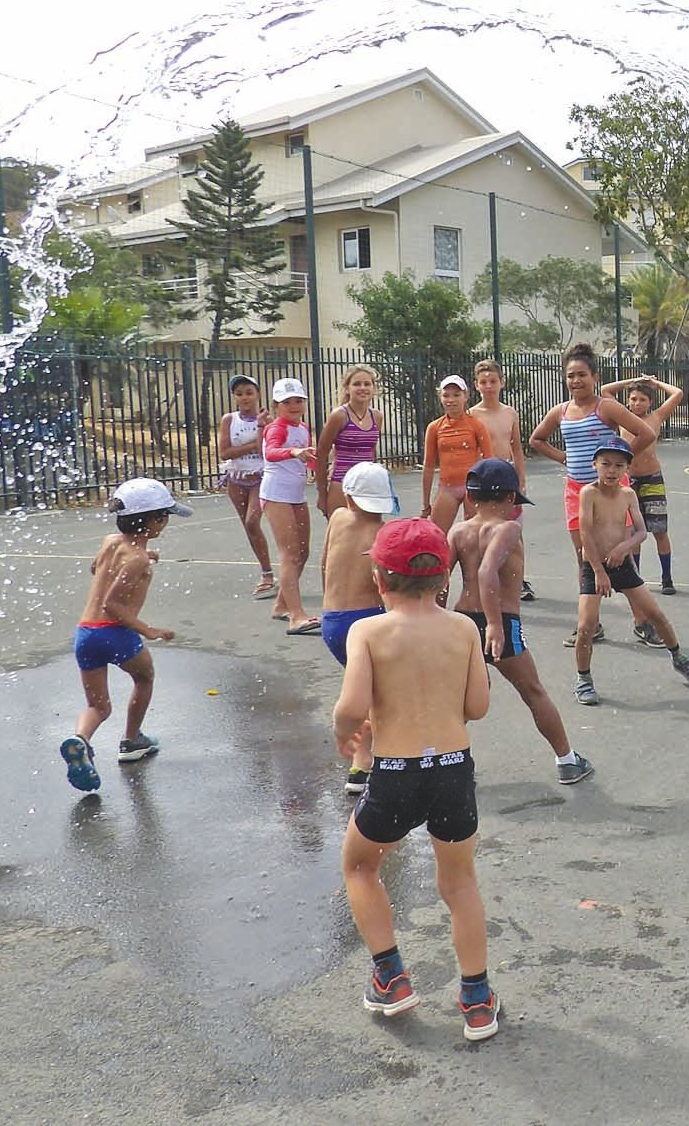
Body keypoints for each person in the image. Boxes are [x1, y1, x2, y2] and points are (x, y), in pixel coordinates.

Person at [333, 517, 500, 1041]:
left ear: (379, 579)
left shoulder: (368, 631)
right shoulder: (464, 628)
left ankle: (391, 977)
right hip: (453, 768)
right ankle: (476, 999)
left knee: (360, 866)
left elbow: (352, 705)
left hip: (397, 773)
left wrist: (345, 730)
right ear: (442, 579)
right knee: (459, 883)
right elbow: (477, 706)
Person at [449, 458, 593, 784]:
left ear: (471, 497)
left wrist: (439, 617)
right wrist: (495, 624)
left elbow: (440, 577)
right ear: (512, 499)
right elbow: (488, 571)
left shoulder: (458, 531)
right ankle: (567, 761)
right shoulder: (509, 528)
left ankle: (451, 764)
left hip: (462, 619)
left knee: (458, 697)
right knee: (532, 691)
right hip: (499, 621)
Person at [59, 478, 192, 792]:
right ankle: (132, 741)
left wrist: (141, 556)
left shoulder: (111, 542)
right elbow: (112, 604)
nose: (166, 522)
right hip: (115, 633)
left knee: (99, 707)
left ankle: (80, 740)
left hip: (86, 634)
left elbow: (98, 569)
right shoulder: (137, 559)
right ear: (154, 521)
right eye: (165, 516)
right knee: (144, 677)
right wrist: (149, 630)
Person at [528, 344, 654, 648]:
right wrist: (565, 459)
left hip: (611, 493)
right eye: (570, 375)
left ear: (594, 377)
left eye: (582, 374)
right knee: (584, 556)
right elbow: (536, 439)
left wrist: (617, 462)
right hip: (577, 492)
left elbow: (646, 434)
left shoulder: (606, 407)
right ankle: (590, 624)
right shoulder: (561, 411)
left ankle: (642, 622)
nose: (576, 381)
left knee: (622, 558)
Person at [571, 439, 689, 706]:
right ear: (595, 465)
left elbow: (642, 531)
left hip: (623, 564)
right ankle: (583, 679)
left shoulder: (628, 495)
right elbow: (585, 533)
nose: (611, 471)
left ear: (627, 469)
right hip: (594, 565)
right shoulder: (588, 493)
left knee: (656, 615)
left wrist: (624, 547)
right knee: (586, 626)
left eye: (619, 466)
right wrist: (598, 571)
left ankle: (678, 656)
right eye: (605, 464)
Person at [320, 462, 398, 794]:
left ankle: (368, 758)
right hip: (363, 620)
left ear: (349, 498)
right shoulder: (382, 535)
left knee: (364, 689)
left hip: (331, 621)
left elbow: (325, 563)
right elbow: (386, 587)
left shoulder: (337, 519)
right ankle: (364, 763)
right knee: (378, 695)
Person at [600, 372, 687, 597]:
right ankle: (634, 576)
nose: (637, 403)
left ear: (650, 402)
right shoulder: (623, 418)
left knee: (659, 530)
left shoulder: (656, 417)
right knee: (631, 532)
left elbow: (677, 394)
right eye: (633, 398)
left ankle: (666, 577)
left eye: (643, 399)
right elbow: (606, 391)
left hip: (652, 479)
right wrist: (632, 382)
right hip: (628, 480)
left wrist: (654, 382)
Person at [468, 359, 536, 601]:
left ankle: (518, 578)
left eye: (493, 381)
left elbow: (516, 447)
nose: (489, 386)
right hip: (483, 476)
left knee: (513, 528)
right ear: (476, 385)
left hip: (506, 475)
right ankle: (479, 575)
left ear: (501, 383)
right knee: (480, 528)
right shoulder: (472, 414)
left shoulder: (510, 412)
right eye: (483, 382)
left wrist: (521, 477)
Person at [261, 378, 320, 635]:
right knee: (290, 553)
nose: (294, 405)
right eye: (287, 402)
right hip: (277, 493)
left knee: (303, 552)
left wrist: (316, 468)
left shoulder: (303, 427)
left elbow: (307, 457)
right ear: (277, 406)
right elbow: (271, 452)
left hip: (296, 494)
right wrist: (294, 453)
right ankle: (296, 615)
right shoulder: (277, 427)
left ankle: (281, 605)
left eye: (298, 400)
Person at [216, 374, 275, 600]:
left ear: (258, 394)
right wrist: (252, 444)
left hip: (260, 476)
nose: (244, 398)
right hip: (236, 477)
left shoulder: (267, 420)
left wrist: (261, 429)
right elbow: (224, 452)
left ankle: (270, 573)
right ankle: (266, 572)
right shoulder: (229, 420)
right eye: (239, 394)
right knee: (248, 527)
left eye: (249, 393)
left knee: (253, 520)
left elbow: (264, 450)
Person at [421, 374, 492, 534]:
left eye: (456, 395)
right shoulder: (435, 427)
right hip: (447, 487)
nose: (451, 400)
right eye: (446, 395)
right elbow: (428, 466)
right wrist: (425, 504)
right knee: (436, 535)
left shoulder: (476, 425)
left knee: (474, 536)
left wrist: (490, 496)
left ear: (465, 396)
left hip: (472, 486)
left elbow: (489, 461)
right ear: (440, 397)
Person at [315, 364, 383, 519]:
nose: (362, 388)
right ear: (347, 388)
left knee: (369, 536)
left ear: (374, 388)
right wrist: (322, 494)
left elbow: (372, 452)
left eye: (367, 384)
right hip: (341, 484)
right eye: (356, 384)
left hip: (368, 486)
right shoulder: (339, 416)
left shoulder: (377, 417)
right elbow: (321, 454)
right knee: (340, 538)